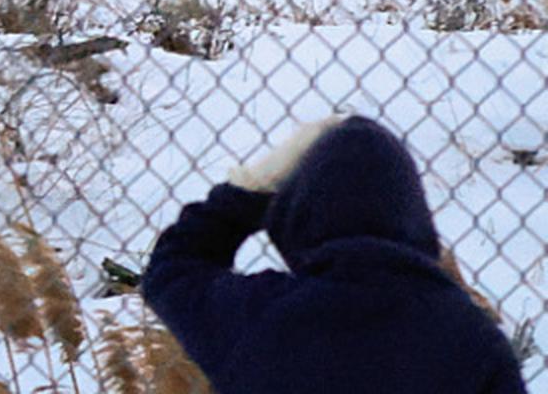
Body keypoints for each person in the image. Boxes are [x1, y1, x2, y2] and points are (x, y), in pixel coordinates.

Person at [143, 115, 525, 394]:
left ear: (300, 217)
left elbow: (171, 270)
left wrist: (247, 192)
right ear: (415, 217)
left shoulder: (261, 317)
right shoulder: (471, 339)